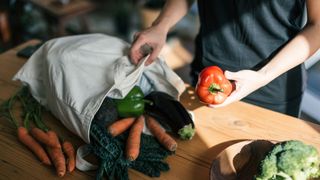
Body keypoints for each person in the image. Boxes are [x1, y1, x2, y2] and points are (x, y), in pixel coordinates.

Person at [129, 0, 320, 118]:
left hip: (273, 87)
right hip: (207, 79)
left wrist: (263, 76)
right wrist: (161, 26)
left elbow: (318, 25)